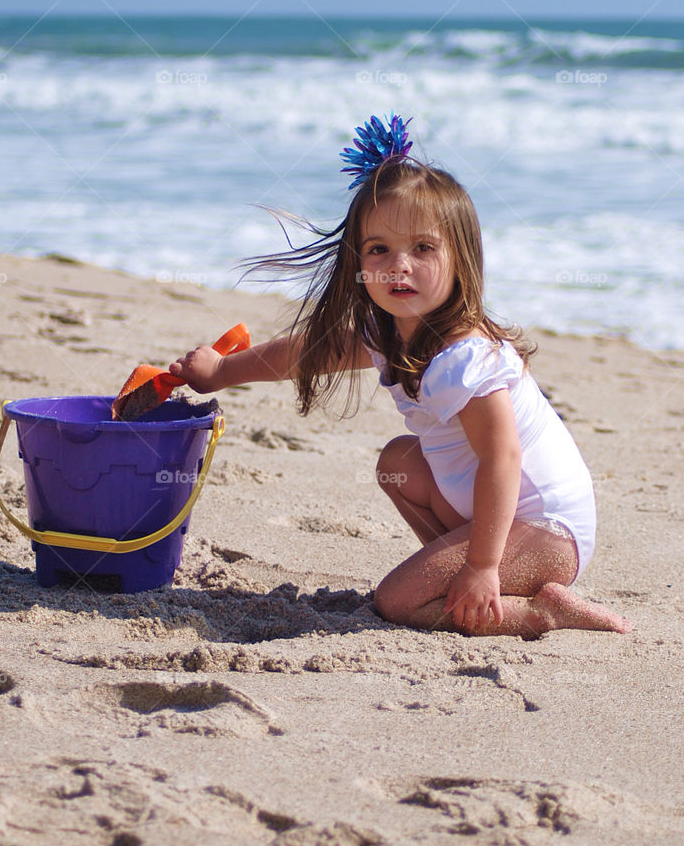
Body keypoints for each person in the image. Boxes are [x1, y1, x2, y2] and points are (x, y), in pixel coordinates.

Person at [168, 115, 630, 639]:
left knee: (395, 601)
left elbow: (503, 457)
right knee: (399, 462)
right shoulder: (389, 330)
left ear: (462, 261)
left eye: (424, 249)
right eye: (379, 249)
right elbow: (309, 353)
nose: (398, 266)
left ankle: (538, 611)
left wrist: (480, 567)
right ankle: (469, 575)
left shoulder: (462, 357)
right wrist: (224, 370)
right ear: (359, 262)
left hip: (548, 532)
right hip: (507, 521)